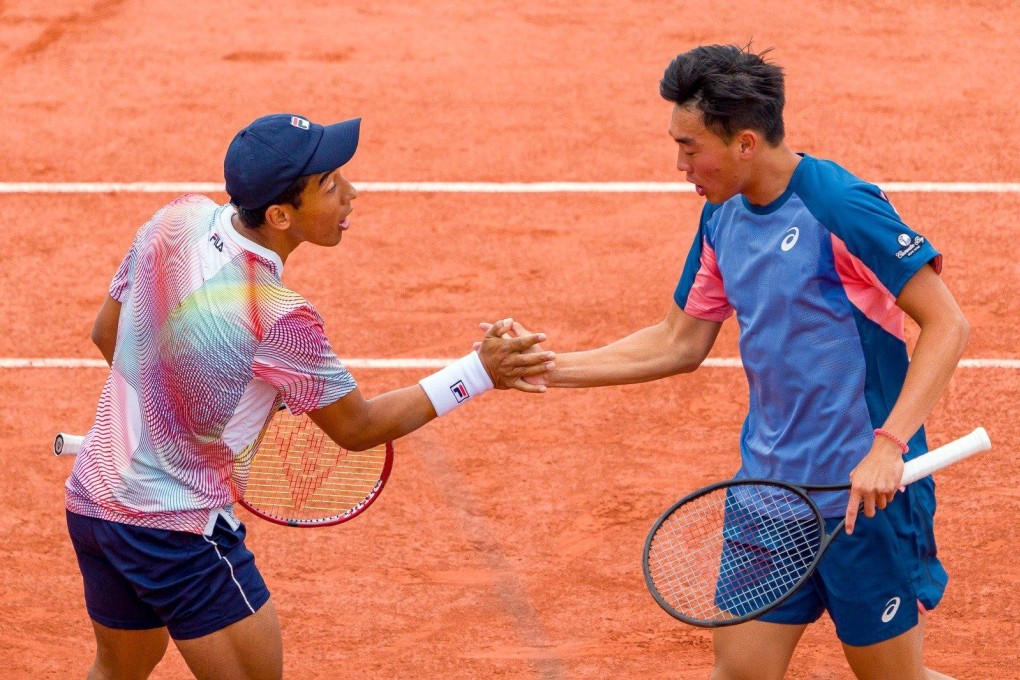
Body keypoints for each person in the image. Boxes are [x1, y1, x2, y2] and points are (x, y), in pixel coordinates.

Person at [495, 45, 969, 680]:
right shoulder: (722, 214)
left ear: (746, 143)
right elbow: (679, 341)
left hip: (862, 499)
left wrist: (889, 445)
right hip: (766, 495)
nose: (680, 164)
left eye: (691, 148)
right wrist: (550, 366)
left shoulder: (840, 207)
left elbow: (947, 324)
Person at [64, 113, 555, 680]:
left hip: (95, 499)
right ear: (279, 216)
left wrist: (179, 415)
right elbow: (358, 427)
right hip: (175, 529)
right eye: (329, 185)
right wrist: (479, 370)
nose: (352, 193)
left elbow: (108, 333)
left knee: (118, 671)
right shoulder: (277, 315)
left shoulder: (173, 221)